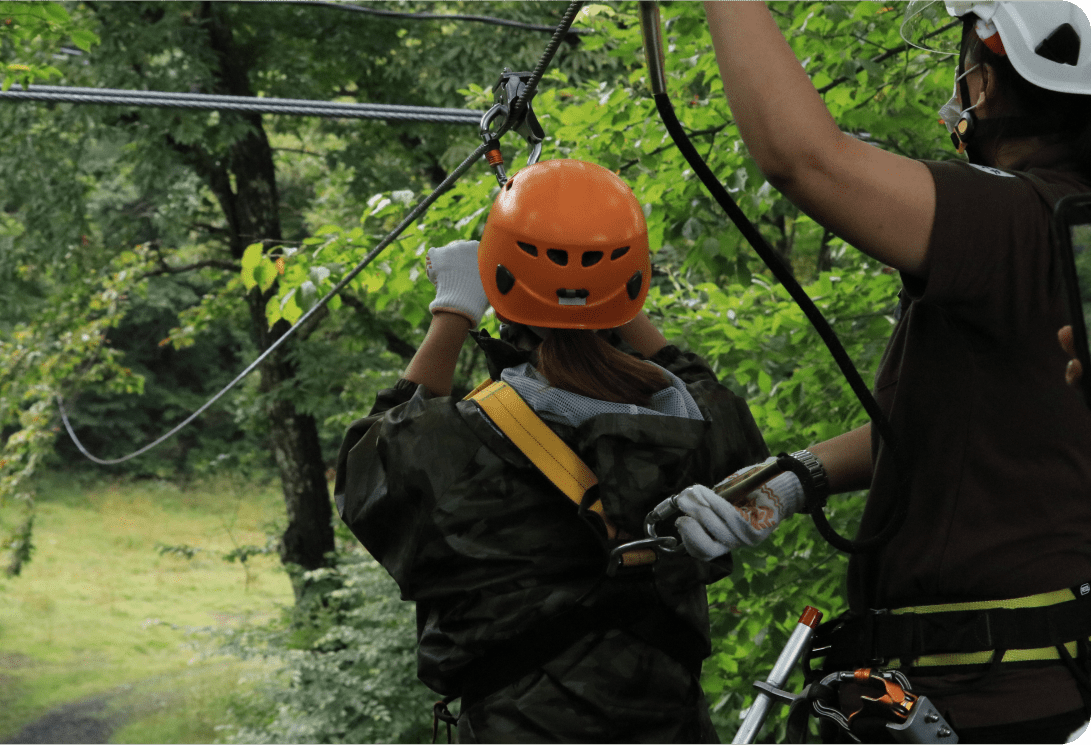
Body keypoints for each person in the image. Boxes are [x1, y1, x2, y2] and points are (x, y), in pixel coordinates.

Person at [656, 2, 1091, 742]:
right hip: (1026, 686)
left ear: (984, 83)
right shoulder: (1066, 226)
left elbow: (806, 158)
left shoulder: (1016, 218)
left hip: (987, 699)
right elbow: (970, 424)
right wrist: (797, 477)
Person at [334, 159, 769, 743]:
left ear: (499, 281)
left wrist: (456, 308)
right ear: (634, 283)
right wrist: (605, 296)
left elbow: (370, 463)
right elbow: (697, 384)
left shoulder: (466, 444)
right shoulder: (703, 428)